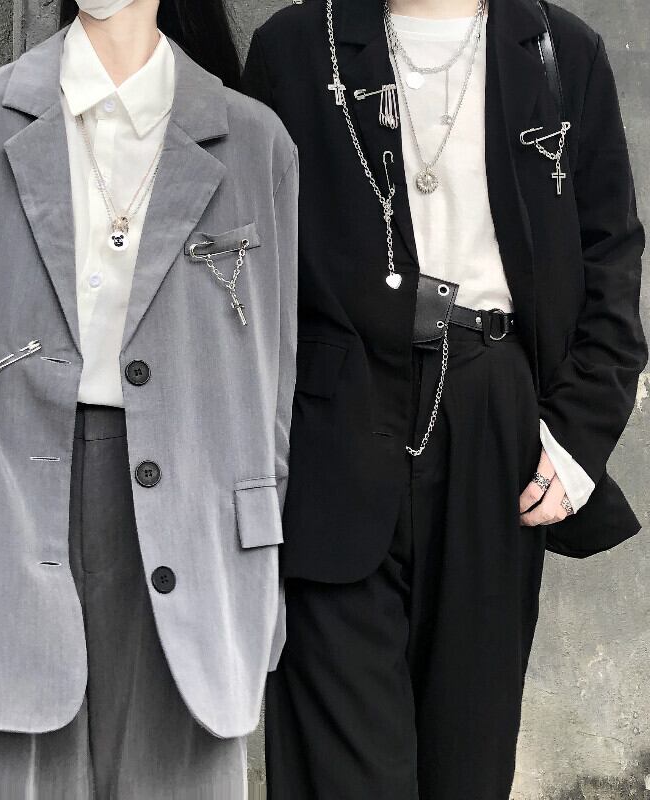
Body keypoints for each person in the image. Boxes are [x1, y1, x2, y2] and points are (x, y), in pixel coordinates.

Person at [0, 0, 298, 796]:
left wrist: (258, 581)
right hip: (2, 525)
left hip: (193, 533)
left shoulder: (254, 142)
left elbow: (271, 387)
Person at [242, 0, 645, 797]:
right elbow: (243, 264)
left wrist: (576, 440)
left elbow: (612, 256)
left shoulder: (561, 51)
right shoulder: (296, 47)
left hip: (496, 421)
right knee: (339, 762)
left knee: (469, 756)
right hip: (332, 422)